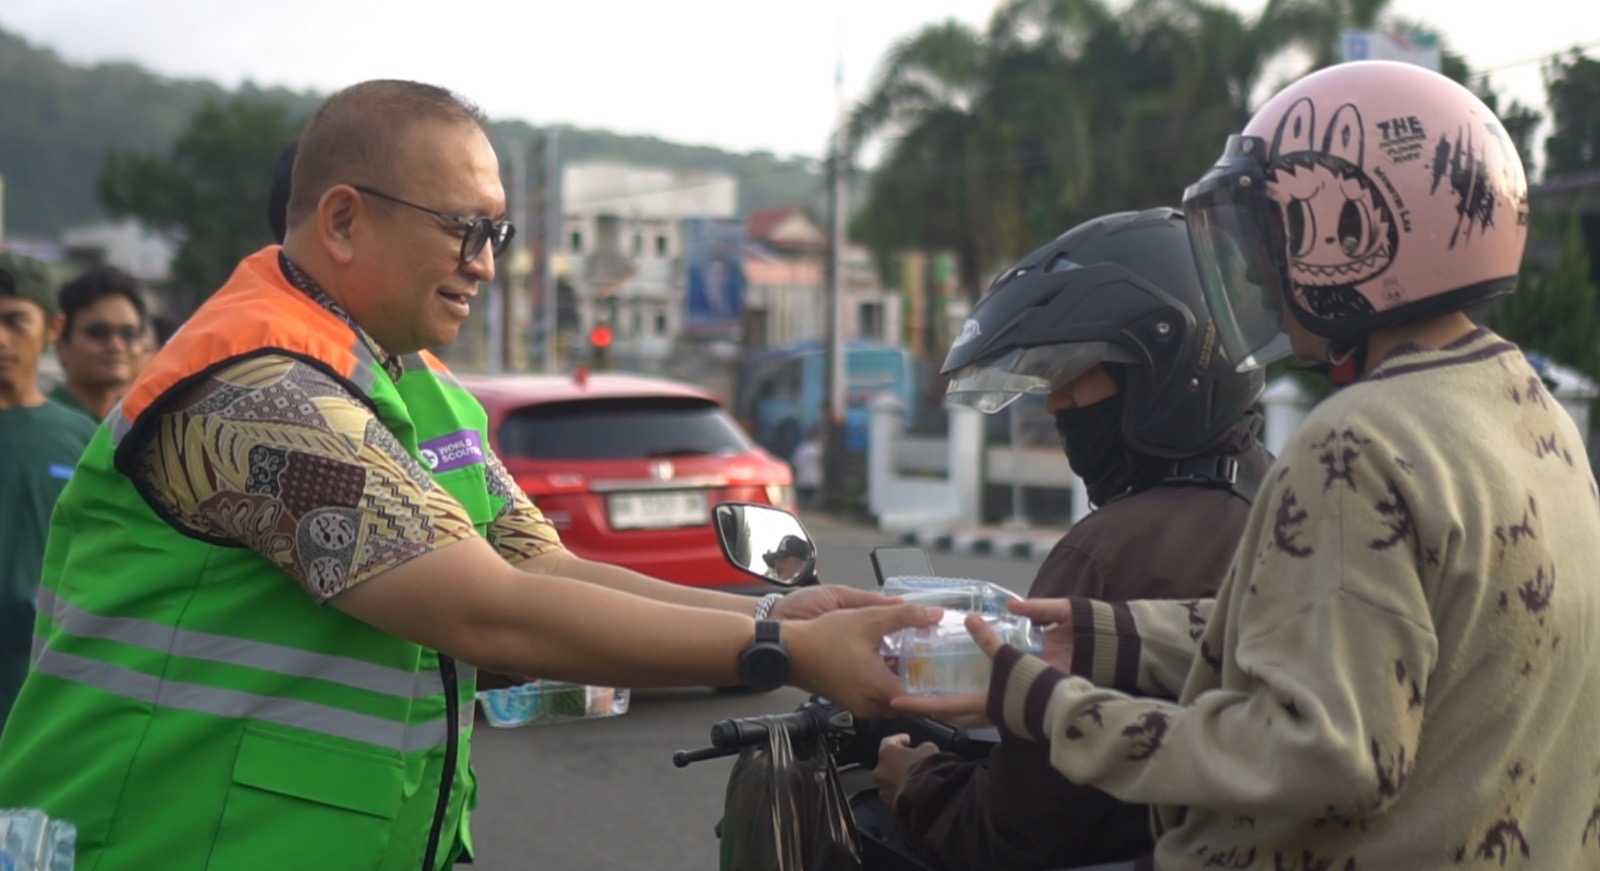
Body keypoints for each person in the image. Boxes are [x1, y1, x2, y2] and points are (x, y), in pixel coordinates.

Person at [0, 80, 938, 871]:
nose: (484, 264)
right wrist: (784, 653)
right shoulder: (256, 390)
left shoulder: (422, 386)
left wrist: (777, 614)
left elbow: (540, 567)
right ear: (343, 219)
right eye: (463, 229)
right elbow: (487, 611)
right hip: (157, 838)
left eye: (498, 232)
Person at [905, 60, 1600, 869]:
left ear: (1357, 230)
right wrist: (1099, 637)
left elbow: (1325, 754)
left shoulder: (1359, 440)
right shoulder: (1532, 418)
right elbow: (1338, 630)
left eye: (1271, 236)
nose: (1254, 274)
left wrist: (1058, 708)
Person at [868, 208, 1271, 870]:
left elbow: (1016, 836)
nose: (1055, 403)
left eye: (1073, 371)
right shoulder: (1288, 501)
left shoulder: (1106, 555)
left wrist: (915, 781)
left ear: (1162, 369)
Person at [0, 251, 98, 726]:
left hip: (45, 686)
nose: (1, 338)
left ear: (53, 329)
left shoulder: (82, 439)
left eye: (15, 321)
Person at [49, 265, 149, 421]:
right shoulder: (44, 425)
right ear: (62, 343)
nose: (116, 346)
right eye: (99, 334)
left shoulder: (141, 424)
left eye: (129, 334)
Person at [791, 425, 823, 510]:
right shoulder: (815, 448)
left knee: (806, 497)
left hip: (808, 477)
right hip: (810, 477)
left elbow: (795, 463)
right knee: (807, 497)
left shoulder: (804, 448)